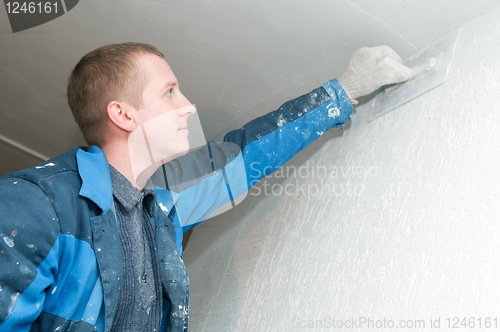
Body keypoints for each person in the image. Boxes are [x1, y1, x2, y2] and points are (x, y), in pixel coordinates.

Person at [0, 42, 412, 332]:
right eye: (169, 92)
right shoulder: (35, 203)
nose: (189, 106)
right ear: (122, 114)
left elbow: (243, 157)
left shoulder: (162, 210)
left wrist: (342, 92)